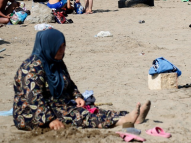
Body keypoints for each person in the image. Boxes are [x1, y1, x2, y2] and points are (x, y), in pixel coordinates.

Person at [13, 29, 151, 131]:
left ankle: (129, 116)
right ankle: (122, 121)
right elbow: (34, 98)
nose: (62, 50)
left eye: (63, 46)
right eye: (58, 47)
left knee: (92, 110)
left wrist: (77, 96)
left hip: (57, 105)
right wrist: (50, 120)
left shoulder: (56, 62)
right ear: (49, 46)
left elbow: (69, 82)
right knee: (78, 115)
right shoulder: (31, 67)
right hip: (30, 114)